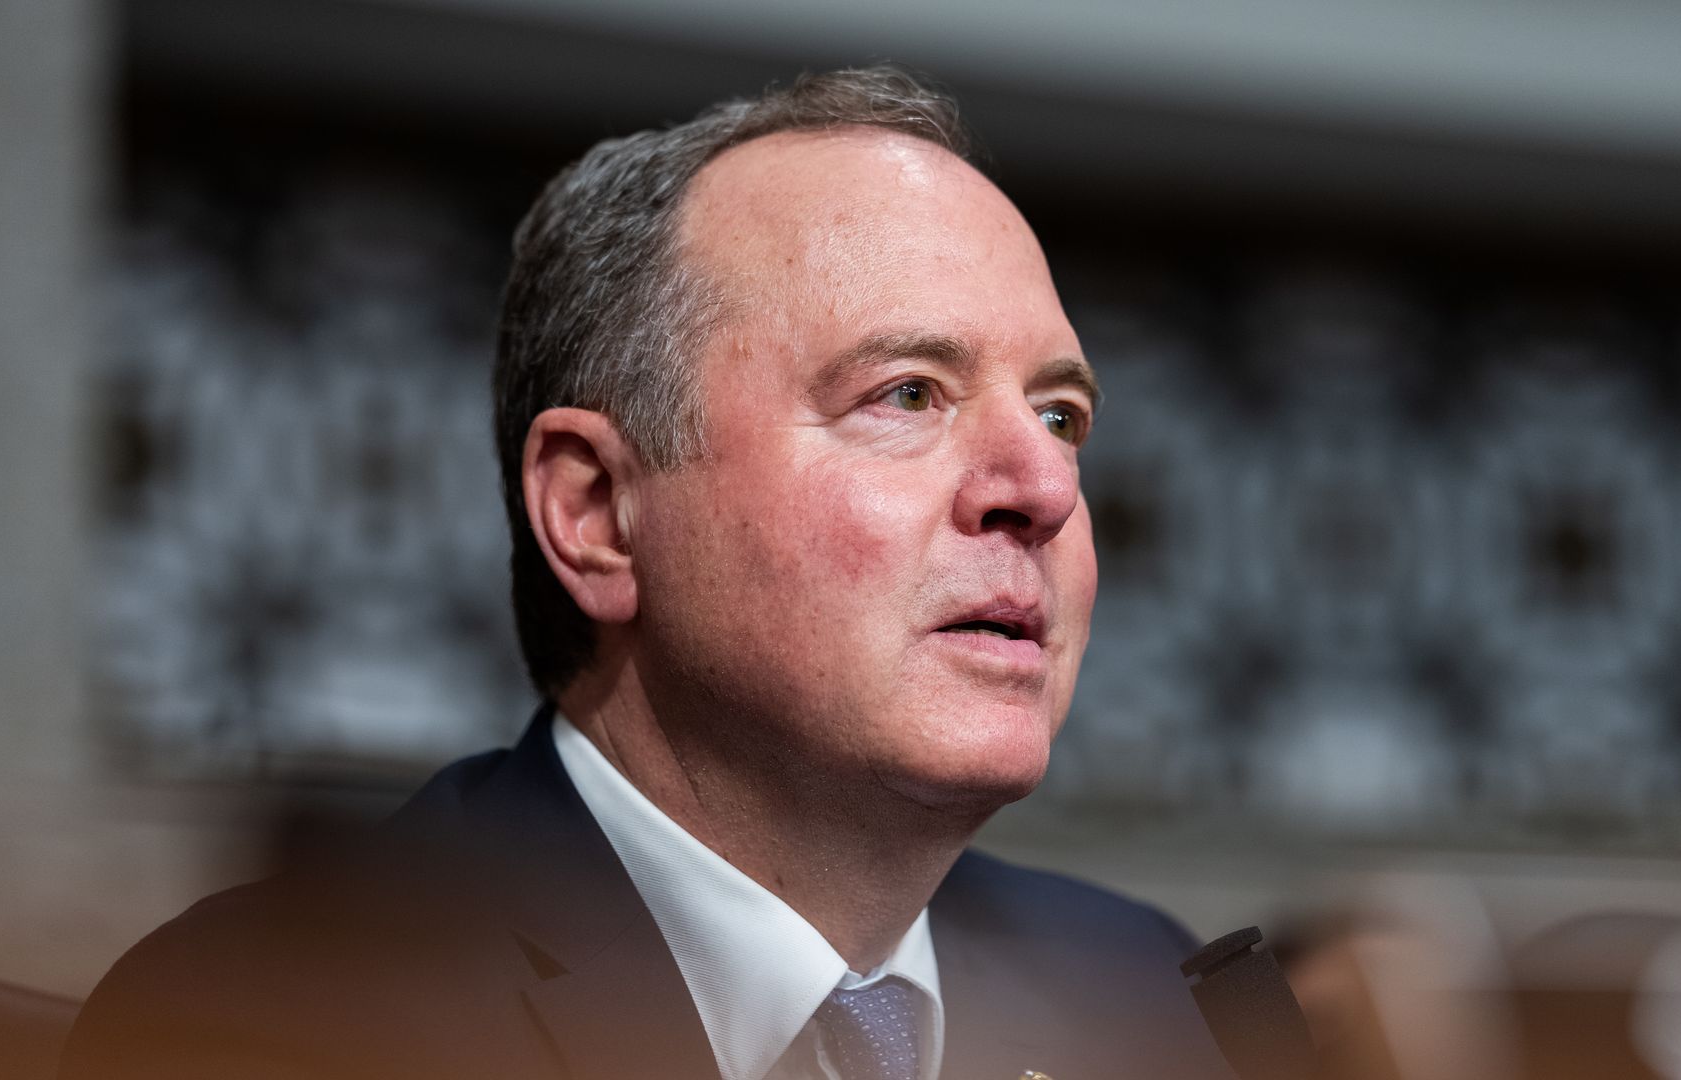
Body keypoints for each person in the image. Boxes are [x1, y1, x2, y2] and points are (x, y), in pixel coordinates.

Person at [60, 66, 1231, 1080]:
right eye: (907, 394)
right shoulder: (288, 1017)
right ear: (598, 514)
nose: (1047, 489)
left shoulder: (1147, 1002)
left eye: (1063, 415)